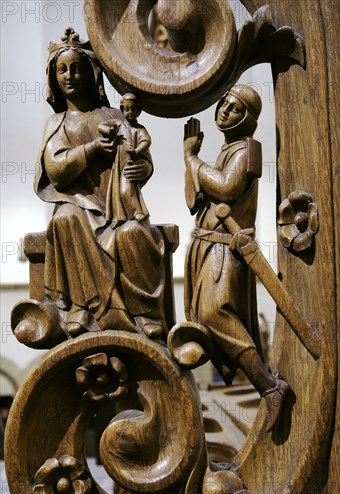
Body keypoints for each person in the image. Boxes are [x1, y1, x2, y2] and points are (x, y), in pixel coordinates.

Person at [34, 28, 166, 339]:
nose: (69, 76)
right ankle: (83, 304)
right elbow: (56, 170)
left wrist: (142, 169)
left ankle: (141, 311)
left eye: (76, 68)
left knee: (133, 233)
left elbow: (140, 155)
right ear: (53, 78)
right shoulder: (57, 123)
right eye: (62, 70)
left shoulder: (114, 116)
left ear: (92, 73)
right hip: (78, 206)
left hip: (117, 207)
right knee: (64, 219)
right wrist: (93, 149)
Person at [183, 84, 289, 431]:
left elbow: (227, 188)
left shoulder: (248, 149)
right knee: (206, 316)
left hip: (225, 247)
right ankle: (266, 385)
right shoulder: (226, 150)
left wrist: (194, 161)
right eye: (224, 104)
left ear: (248, 117)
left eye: (234, 107)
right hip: (206, 245)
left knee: (216, 312)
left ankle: (270, 387)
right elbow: (193, 202)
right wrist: (191, 161)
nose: (225, 111)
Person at [105, 93, 152, 227]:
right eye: (127, 109)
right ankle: (119, 216)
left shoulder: (139, 129)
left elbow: (147, 141)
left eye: (133, 109)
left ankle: (136, 211)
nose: (130, 112)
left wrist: (137, 151)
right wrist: (109, 131)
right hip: (118, 165)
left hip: (129, 165)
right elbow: (101, 127)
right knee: (117, 192)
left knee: (126, 189)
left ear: (139, 111)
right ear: (122, 110)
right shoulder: (118, 125)